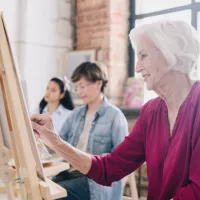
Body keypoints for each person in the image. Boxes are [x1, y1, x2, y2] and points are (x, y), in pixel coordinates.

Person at [31, 20, 200, 200]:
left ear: (170, 53)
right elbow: (109, 168)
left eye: (143, 55)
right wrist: (53, 139)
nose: (137, 67)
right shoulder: (151, 112)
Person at [33, 62, 128, 200]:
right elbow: (58, 145)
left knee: (51, 195)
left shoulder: (115, 116)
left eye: (82, 86)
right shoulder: (76, 114)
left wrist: (88, 157)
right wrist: (44, 134)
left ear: (98, 84)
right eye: (77, 87)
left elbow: (120, 162)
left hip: (94, 182)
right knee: (40, 189)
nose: (79, 92)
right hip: (71, 172)